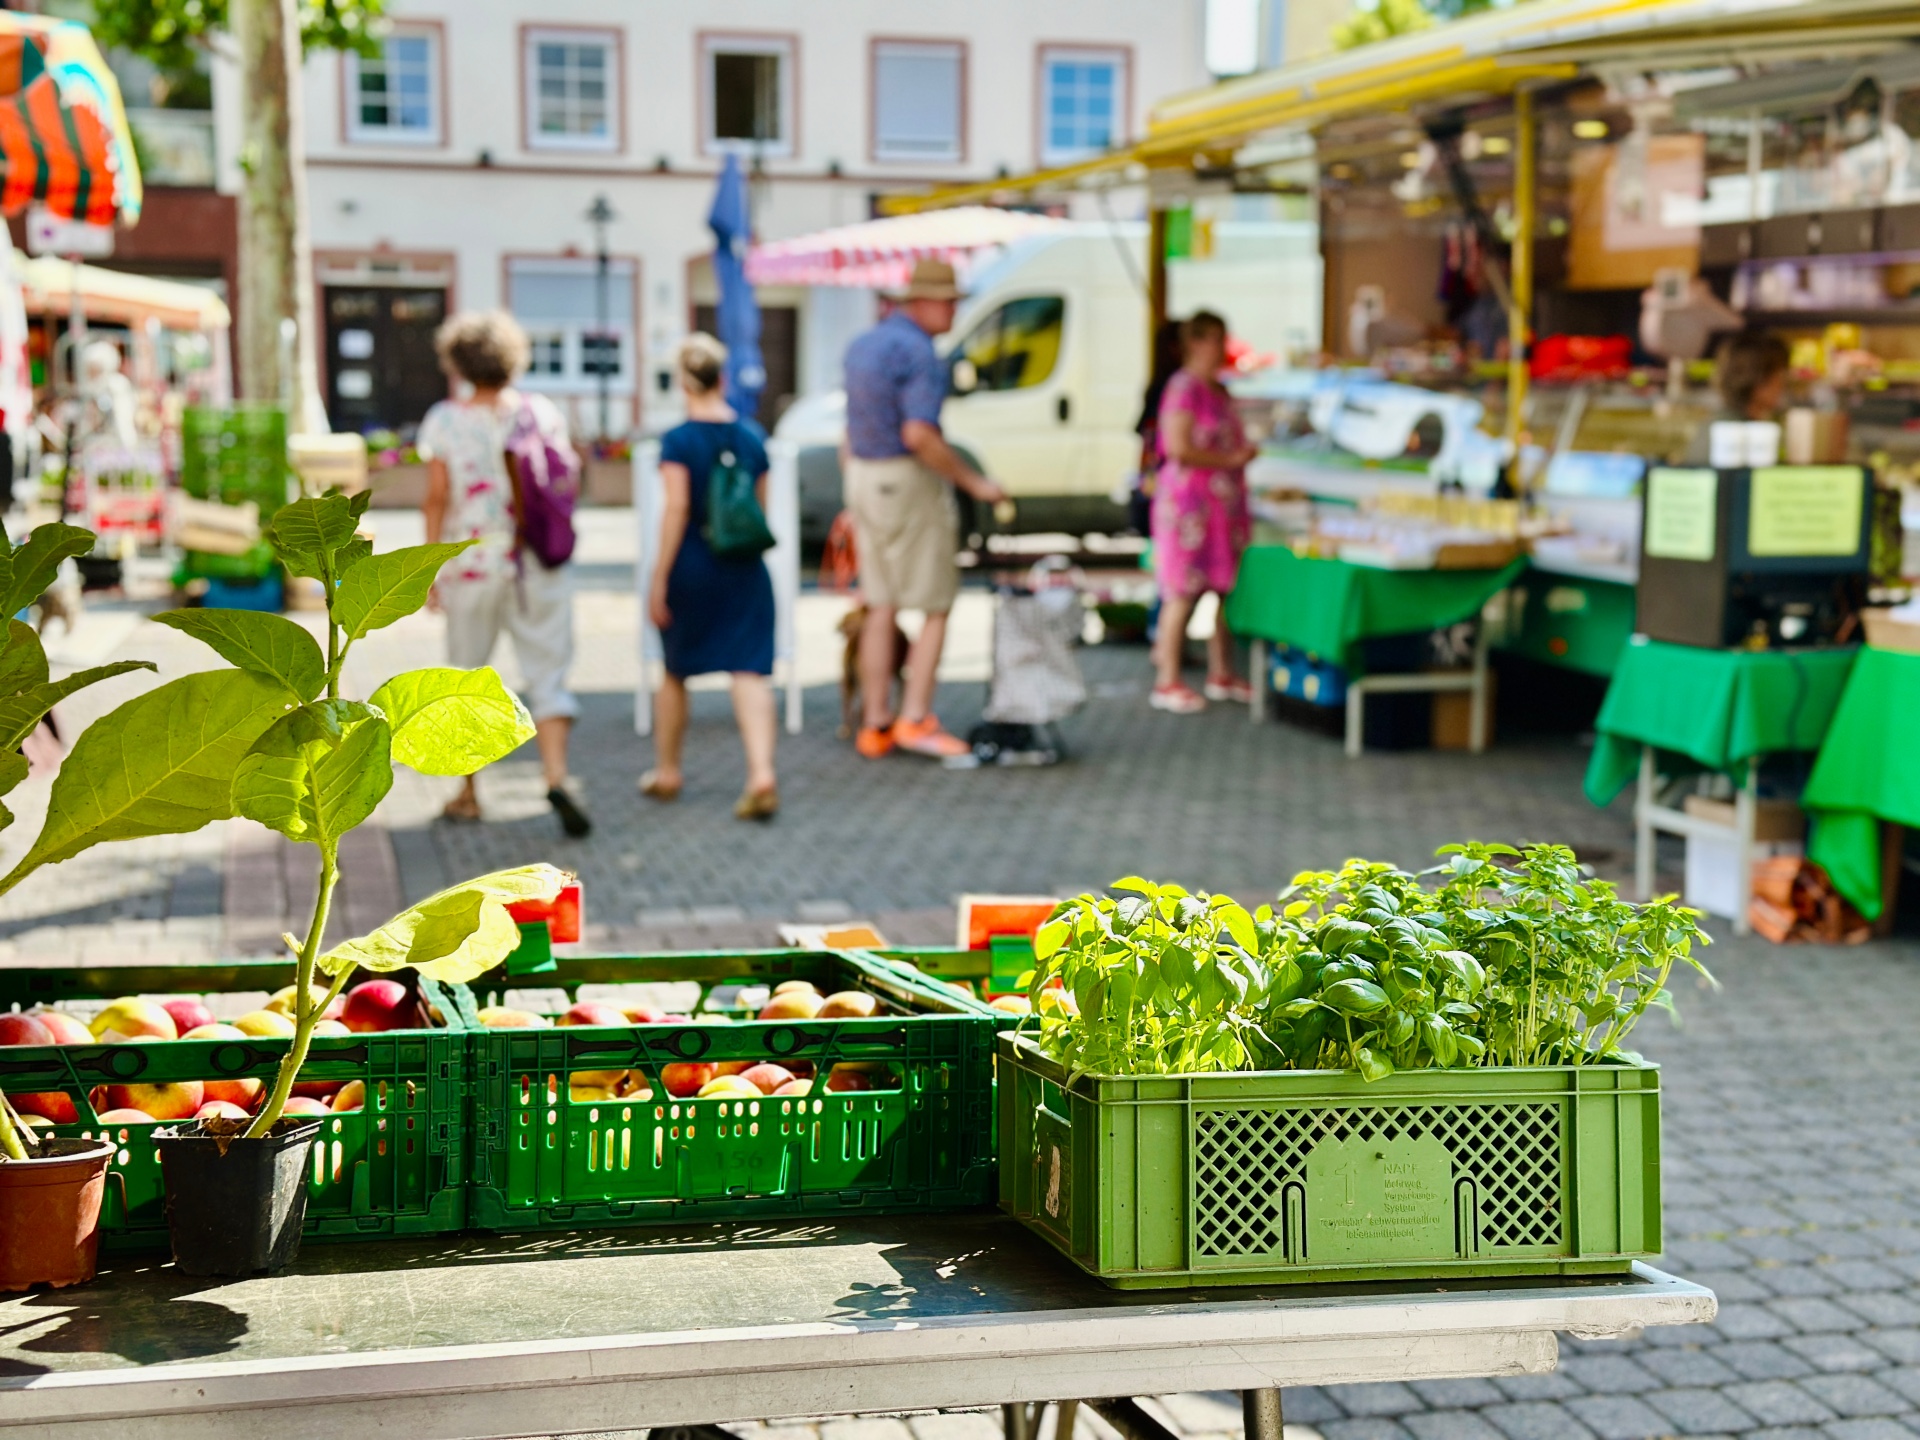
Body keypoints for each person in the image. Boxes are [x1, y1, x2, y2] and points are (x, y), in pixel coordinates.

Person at [419, 310, 590, 838]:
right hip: (535, 561)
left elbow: (436, 497)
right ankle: (556, 776)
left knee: (466, 679)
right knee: (548, 672)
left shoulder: (445, 420)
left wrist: (428, 567)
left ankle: (469, 792)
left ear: (460, 362)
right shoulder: (542, 412)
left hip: (472, 564)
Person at [841, 257, 1006, 760]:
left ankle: (876, 723)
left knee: (880, 604)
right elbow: (920, 436)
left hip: (863, 475)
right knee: (935, 604)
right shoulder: (919, 354)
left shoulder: (863, 344)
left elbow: (850, 428)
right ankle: (915, 717)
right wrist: (975, 483)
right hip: (906, 481)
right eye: (951, 302)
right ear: (924, 302)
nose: (955, 312)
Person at [641, 335, 780, 820]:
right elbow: (757, 510)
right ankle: (761, 771)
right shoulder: (752, 437)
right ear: (722, 379)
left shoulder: (678, 440)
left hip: (693, 563)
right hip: (743, 565)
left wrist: (659, 577)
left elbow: (676, 508)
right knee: (749, 669)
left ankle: (668, 770)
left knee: (676, 671)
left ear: (683, 382)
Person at [1150, 311, 1257, 714]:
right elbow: (1178, 448)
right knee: (1182, 590)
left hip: (1220, 507)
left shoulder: (1219, 389)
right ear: (1194, 341)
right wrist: (1230, 457)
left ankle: (1222, 671)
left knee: (1223, 587)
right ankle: (1167, 678)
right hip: (1190, 506)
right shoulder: (1184, 388)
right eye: (1214, 338)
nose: (1221, 346)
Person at [1683, 331, 1790, 464]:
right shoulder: (1745, 437)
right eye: (1779, 375)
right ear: (1759, 380)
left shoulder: (1713, 425)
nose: (1782, 384)